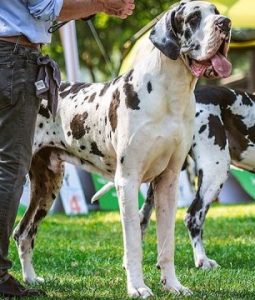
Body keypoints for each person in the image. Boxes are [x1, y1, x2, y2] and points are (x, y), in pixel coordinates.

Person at [0, 0, 135, 297]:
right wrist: (102, 5)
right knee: (9, 171)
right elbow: (44, 6)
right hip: (12, 60)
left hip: (9, 58)